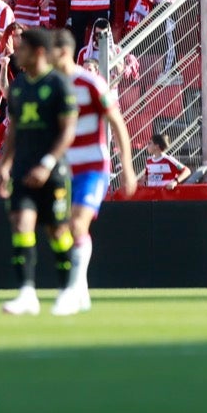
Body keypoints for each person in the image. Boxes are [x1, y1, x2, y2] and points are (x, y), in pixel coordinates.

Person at [0, 28, 76, 316]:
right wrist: (4, 163)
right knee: (21, 224)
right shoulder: (19, 87)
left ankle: (68, 291)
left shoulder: (59, 84)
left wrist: (47, 163)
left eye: (22, 49)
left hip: (53, 171)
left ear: (38, 52)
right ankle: (27, 293)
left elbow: (68, 131)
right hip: (23, 170)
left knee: (57, 231)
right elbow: (13, 130)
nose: (17, 53)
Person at [50, 29, 135, 316]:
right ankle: (81, 289)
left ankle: (71, 291)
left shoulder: (91, 82)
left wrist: (127, 167)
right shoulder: (52, 86)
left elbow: (117, 123)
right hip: (64, 169)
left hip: (93, 166)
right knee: (62, 229)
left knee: (77, 224)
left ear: (63, 52)